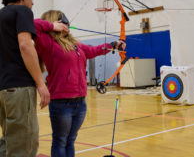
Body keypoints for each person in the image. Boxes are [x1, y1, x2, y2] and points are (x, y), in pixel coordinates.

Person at [33, 10, 126, 157]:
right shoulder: (47, 42)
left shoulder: (74, 44)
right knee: (61, 141)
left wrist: (112, 45)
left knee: (70, 141)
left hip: (80, 102)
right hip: (61, 102)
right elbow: (32, 24)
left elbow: (93, 50)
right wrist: (51, 26)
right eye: (62, 22)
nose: (66, 24)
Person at [0, 0, 50, 157]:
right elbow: (25, 45)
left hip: (3, 90)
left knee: (8, 141)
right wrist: (41, 83)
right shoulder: (22, 11)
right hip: (19, 88)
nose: (32, 3)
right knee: (24, 146)